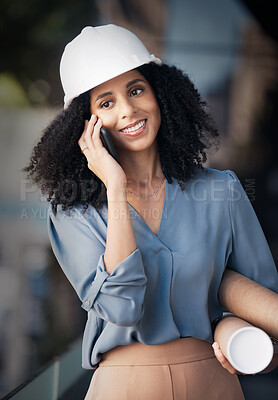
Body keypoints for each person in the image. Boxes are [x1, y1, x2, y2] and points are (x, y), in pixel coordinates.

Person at [25, 24, 278, 399]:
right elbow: (121, 307)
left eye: (136, 89)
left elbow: (266, 308)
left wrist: (251, 348)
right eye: (106, 102)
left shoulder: (221, 190)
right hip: (123, 388)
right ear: (84, 124)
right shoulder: (74, 212)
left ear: (160, 93)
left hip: (214, 384)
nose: (129, 110)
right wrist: (115, 188)